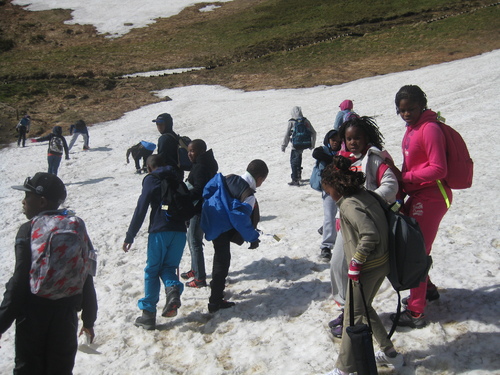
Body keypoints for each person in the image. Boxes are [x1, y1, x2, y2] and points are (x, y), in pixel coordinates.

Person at [0, 172, 97, 374]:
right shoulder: (76, 225)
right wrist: (89, 319)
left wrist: (2, 322)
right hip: (66, 315)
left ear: (42, 201)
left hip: (32, 315)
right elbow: (86, 273)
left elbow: (19, 280)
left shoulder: (28, 229)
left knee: (28, 368)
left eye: (27, 197)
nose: (24, 201)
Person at [321, 156, 404, 375]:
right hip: (381, 263)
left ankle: (343, 369)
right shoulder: (364, 193)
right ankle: (390, 353)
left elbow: (370, 234)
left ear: (336, 187)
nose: (329, 195)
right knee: (364, 309)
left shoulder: (348, 205)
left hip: (367, 267)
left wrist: (356, 262)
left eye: (328, 191)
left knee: (352, 316)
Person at [384, 85, 451, 329]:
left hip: (433, 196)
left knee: (416, 253)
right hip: (421, 195)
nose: (406, 114)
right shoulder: (413, 128)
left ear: (422, 105)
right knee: (415, 248)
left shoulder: (430, 129)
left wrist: (406, 179)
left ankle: (415, 312)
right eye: (401, 110)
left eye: (411, 109)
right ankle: (428, 290)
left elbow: (439, 169)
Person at [328, 116, 398, 338]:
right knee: (337, 264)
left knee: (359, 274)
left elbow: (391, 185)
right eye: (348, 139)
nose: (353, 142)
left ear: (366, 138)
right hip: (346, 226)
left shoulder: (373, 159)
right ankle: (346, 308)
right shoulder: (342, 159)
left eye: (357, 138)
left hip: (368, 226)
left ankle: (354, 313)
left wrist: (369, 203)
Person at [123, 155, 187, 330]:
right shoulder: (176, 177)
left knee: (152, 270)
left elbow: (141, 207)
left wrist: (130, 235)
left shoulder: (152, 179)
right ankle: (172, 289)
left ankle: (148, 315)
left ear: (149, 167)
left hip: (160, 230)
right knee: (168, 268)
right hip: (180, 231)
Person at [201, 159, 268, 313]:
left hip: (210, 219)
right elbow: (241, 220)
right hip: (222, 228)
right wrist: (253, 238)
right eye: (262, 181)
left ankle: (217, 290)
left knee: (220, 258)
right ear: (259, 178)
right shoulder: (248, 195)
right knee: (222, 262)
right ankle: (215, 301)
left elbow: (208, 189)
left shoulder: (229, 177)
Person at [180, 139, 219, 288]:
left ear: (201, 151)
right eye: (188, 151)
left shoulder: (201, 166)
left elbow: (199, 190)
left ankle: (199, 278)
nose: (189, 154)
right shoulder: (204, 162)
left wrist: (184, 197)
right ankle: (195, 269)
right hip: (201, 207)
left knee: (194, 241)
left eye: (192, 151)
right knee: (192, 240)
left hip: (199, 209)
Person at [312, 129, 342, 262]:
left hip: (343, 188)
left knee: (344, 214)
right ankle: (326, 247)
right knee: (329, 215)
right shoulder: (323, 151)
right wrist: (333, 160)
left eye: (338, 140)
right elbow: (315, 153)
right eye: (333, 140)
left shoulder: (345, 152)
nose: (335, 142)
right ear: (328, 140)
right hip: (328, 188)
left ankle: (325, 229)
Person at [281, 106, 316, 186]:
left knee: (293, 161)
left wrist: (284, 145)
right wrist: (312, 144)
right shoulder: (305, 121)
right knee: (298, 159)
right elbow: (313, 132)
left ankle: (295, 179)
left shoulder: (291, 122)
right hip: (304, 144)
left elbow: (287, 134)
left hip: (295, 145)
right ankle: (299, 175)